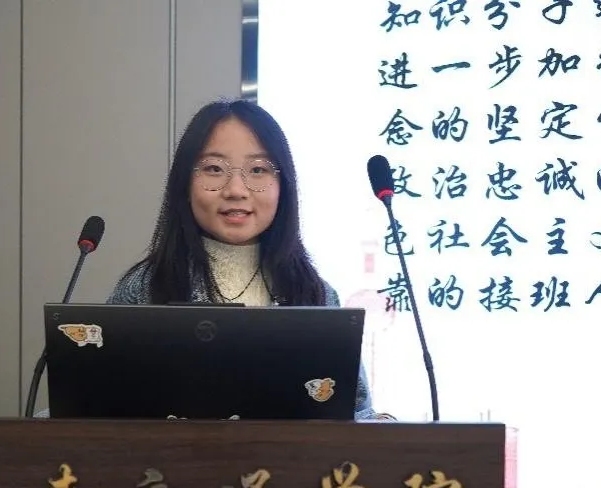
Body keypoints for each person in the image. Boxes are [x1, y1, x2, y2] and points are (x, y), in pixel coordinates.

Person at [103, 99, 393, 422]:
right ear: (185, 182)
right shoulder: (144, 288)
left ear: (283, 186)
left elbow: (356, 415)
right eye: (214, 169)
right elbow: (94, 408)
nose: (236, 190)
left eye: (258, 170)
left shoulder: (316, 295)